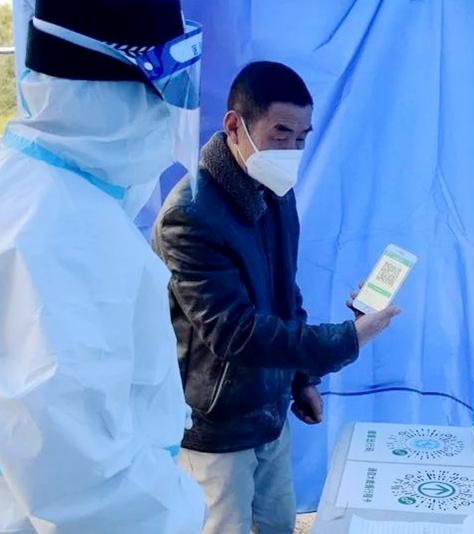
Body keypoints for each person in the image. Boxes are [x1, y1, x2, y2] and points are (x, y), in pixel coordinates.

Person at [0, 0, 206, 531]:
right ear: (109, 90)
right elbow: (81, 478)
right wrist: (181, 511)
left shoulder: (27, 178)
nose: (166, 114)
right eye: (160, 92)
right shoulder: (58, 223)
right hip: (19, 518)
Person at [151, 61, 400, 534]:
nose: (292, 151)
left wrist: (302, 379)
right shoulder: (189, 216)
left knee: (277, 525)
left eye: (302, 138)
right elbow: (234, 332)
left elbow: (286, 293)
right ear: (234, 126)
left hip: (270, 414)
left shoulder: (275, 192)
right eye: (281, 134)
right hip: (214, 427)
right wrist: (346, 339)